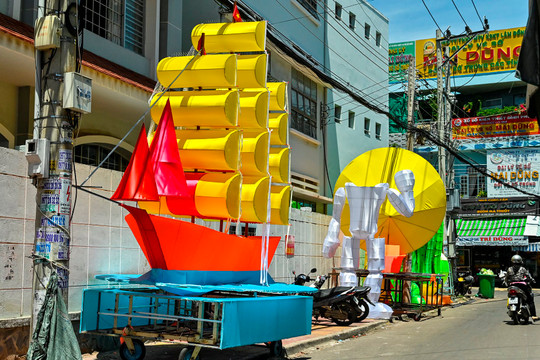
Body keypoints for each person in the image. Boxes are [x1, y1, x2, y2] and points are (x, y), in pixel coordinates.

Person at [505, 254, 538, 321]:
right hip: (522, 286)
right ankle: (533, 315)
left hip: (512, 286)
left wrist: (507, 283)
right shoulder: (523, 269)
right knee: (530, 299)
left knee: (510, 296)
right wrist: (532, 280)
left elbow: (506, 278)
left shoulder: (509, 269)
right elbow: (529, 276)